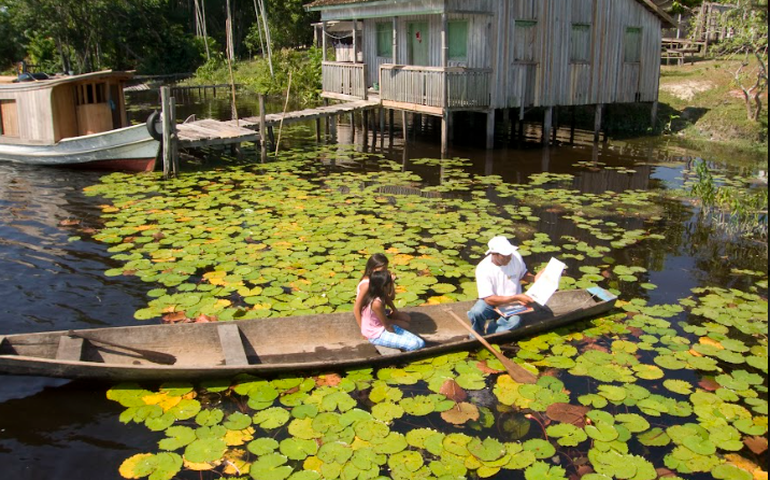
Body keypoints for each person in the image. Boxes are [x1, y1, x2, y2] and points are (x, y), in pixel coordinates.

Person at [468, 236, 539, 336]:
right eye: (504, 255)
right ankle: (477, 333)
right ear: (494, 254)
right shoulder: (483, 268)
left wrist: (536, 279)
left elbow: (523, 274)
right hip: (493, 303)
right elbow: (489, 299)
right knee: (476, 312)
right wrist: (517, 297)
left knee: (515, 322)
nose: (509, 257)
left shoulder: (515, 257)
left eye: (509, 254)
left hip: (514, 303)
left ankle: (492, 331)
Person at [359, 270, 425, 351]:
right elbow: (387, 325)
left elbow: (391, 296)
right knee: (414, 345)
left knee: (421, 343)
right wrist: (396, 335)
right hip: (375, 335)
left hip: (382, 327)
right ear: (384, 287)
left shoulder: (379, 295)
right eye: (390, 284)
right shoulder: (376, 303)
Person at [353, 254, 409, 329]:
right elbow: (357, 308)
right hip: (371, 316)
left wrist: (390, 283)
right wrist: (362, 328)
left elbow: (390, 297)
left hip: (381, 311)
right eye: (383, 269)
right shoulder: (366, 285)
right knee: (405, 325)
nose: (386, 271)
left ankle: (388, 319)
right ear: (374, 269)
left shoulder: (379, 279)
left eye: (386, 268)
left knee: (407, 318)